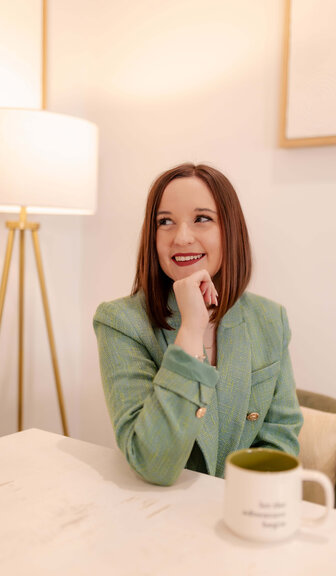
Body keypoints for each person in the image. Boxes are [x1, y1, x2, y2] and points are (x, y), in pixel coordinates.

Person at [93, 163, 303, 486]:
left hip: (243, 513)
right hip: (157, 516)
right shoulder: (120, 322)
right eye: (165, 222)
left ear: (229, 230)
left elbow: (280, 442)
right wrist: (190, 329)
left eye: (201, 218)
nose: (182, 237)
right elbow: (152, 462)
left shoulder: (269, 319)